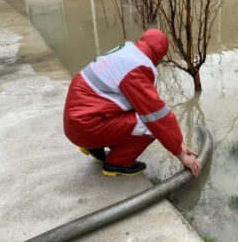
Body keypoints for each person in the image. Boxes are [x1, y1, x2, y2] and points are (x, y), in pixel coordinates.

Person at [63, 29, 202, 177]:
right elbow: (157, 117)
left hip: (77, 123)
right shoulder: (138, 68)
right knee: (149, 125)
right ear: (159, 57)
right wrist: (180, 154)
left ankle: (94, 147)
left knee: (133, 111)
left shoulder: (126, 51)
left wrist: (178, 144)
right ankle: (117, 163)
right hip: (86, 128)